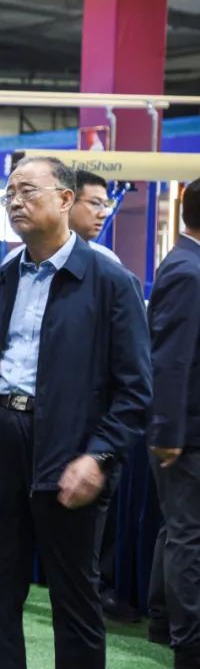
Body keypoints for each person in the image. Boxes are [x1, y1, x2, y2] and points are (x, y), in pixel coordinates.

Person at [0, 156, 151, 669]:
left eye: (28, 191)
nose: (15, 202)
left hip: (69, 453)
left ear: (65, 198)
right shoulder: (1, 282)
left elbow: (136, 391)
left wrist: (98, 456)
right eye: (9, 193)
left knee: (74, 600)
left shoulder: (109, 281)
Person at [146, 177, 200, 668]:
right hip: (185, 433)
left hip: (183, 429)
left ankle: (164, 621)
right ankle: (190, 645)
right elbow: (170, 359)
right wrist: (167, 432)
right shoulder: (188, 270)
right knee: (188, 537)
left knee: (179, 531)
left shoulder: (186, 264)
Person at [4, 170, 120, 266]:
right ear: (67, 201)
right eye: (95, 203)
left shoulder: (108, 262)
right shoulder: (17, 261)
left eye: (106, 205)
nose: (103, 214)